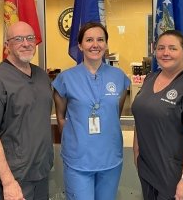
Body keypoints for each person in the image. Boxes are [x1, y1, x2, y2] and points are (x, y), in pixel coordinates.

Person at [0, 21, 53, 200]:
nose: (26, 43)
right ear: (7, 45)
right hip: (9, 180)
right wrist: (8, 182)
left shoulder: (41, 76)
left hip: (39, 173)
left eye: (30, 38)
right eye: (18, 39)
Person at [52, 22, 130, 200]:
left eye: (100, 40)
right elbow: (61, 118)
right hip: (78, 159)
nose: (95, 44)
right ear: (80, 45)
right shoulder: (65, 78)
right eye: (89, 40)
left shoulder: (119, 77)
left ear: (106, 44)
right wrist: (77, 142)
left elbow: (114, 115)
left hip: (110, 158)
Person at [132, 30, 183, 200]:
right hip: (150, 171)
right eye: (161, 48)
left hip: (180, 176)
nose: (165, 53)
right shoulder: (150, 79)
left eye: (172, 48)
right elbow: (141, 120)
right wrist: (137, 157)